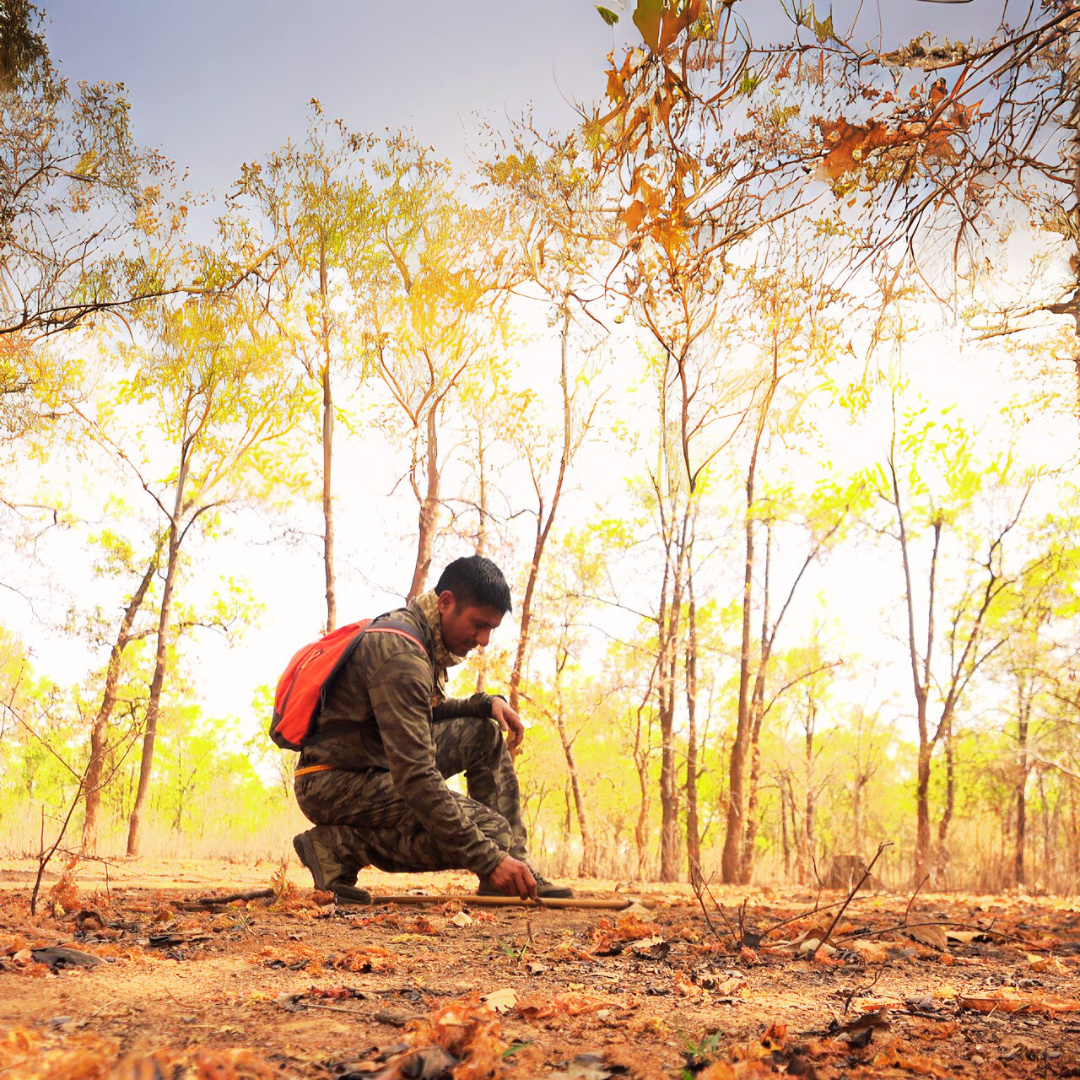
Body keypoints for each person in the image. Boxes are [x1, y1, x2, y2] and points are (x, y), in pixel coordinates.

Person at [291, 555, 573, 904]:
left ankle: (516, 870)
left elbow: (421, 714)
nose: (483, 639)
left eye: (491, 629)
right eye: (478, 624)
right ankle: (338, 847)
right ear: (446, 602)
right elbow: (417, 778)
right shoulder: (401, 654)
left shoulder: (420, 637)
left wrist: (485, 704)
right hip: (332, 782)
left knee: (484, 732)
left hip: (368, 766)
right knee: (492, 836)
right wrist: (490, 858)